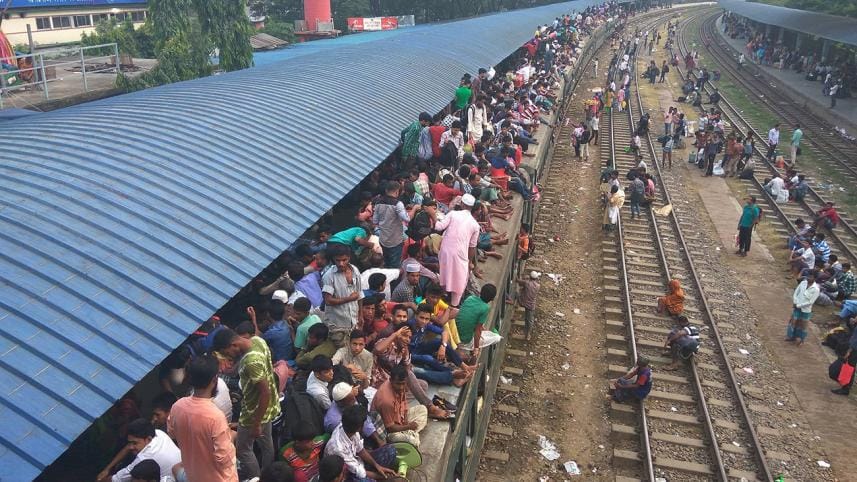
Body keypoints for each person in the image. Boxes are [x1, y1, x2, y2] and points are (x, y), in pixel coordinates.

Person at [213, 328, 281, 479]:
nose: (229, 356)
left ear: (233, 345)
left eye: (227, 353)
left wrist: (256, 424)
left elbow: (265, 392)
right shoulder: (258, 341)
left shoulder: (251, 361)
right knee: (266, 441)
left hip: (254, 411)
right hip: (268, 407)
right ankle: (268, 472)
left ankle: (256, 477)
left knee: (243, 449)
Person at [168, 355, 238, 482]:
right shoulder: (215, 417)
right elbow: (224, 459)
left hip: (193, 475)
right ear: (214, 380)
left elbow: (172, 433)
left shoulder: (177, 407)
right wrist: (231, 436)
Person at [324, 405, 398, 481]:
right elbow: (358, 472)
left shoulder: (350, 429)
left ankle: (377, 474)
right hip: (346, 473)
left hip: (357, 462)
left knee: (390, 451)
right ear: (360, 427)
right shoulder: (338, 448)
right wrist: (385, 477)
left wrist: (377, 466)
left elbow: (361, 450)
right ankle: (377, 477)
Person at [97, 418, 181, 482]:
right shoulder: (159, 433)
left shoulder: (144, 458)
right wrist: (108, 468)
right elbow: (128, 447)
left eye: (135, 443)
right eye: (130, 442)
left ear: (148, 439)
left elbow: (116, 479)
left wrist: (100, 480)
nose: (131, 447)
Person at [434, 193, 481, 306]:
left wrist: (432, 214)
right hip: (461, 254)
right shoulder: (475, 225)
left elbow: (438, 227)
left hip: (445, 250)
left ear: (462, 204)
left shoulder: (453, 214)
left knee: (445, 273)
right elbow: (472, 246)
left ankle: (443, 297)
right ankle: (454, 304)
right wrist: (469, 261)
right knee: (460, 278)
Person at [371, 363, 430, 447]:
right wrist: (408, 427)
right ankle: (411, 434)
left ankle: (411, 433)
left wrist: (406, 423)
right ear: (391, 380)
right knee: (414, 442)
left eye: (403, 383)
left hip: (401, 420)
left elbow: (404, 406)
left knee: (423, 409)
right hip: (390, 432)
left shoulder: (401, 387)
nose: (401, 387)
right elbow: (390, 428)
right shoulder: (386, 400)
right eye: (398, 384)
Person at [322, 244, 364, 348]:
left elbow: (359, 294)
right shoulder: (328, 276)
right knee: (343, 353)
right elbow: (328, 300)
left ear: (349, 258)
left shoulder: (355, 271)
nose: (341, 263)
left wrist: (361, 314)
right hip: (337, 326)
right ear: (333, 260)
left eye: (344, 260)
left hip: (353, 322)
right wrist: (350, 298)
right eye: (338, 260)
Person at [374, 180, 420, 268]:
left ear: (386, 190)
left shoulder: (378, 203)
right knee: (394, 266)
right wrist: (414, 208)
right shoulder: (398, 204)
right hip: (395, 241)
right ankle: (394, 280)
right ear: (397, 192)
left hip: (383, 240)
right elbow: (407, 218)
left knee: (387, 262)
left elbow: (375, 221)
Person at [456, 284, 501, 360]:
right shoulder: (485, 308)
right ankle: (469, 355)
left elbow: (468, 315)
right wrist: (476, 348)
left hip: (455, 334)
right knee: (497, 338)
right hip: (464, 341)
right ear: (492, 299)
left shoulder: (470, 298)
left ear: (480, 292)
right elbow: (478, 331)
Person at [785, 273, 820, 346]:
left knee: (803, 325)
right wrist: (795, 301)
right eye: (808, 276)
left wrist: (799, 305)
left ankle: (801, 339)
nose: (808, 278)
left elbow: (811, 302)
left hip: (805, 310)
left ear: (815, 278)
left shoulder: (816, 289)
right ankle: (791, 336)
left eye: (811, 276)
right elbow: (796, 292)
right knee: (793, 321)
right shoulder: (803, 283)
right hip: (797, 306)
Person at [517, 271, 541, 340]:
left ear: (530, 277)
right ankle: (528, 334)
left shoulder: (526, 283)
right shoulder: (538, 286)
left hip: (522, 302)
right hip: (531, 306)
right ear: (536, 278)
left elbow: (518, 281)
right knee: (529, 320)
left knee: (517, 293)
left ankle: (514, 302)